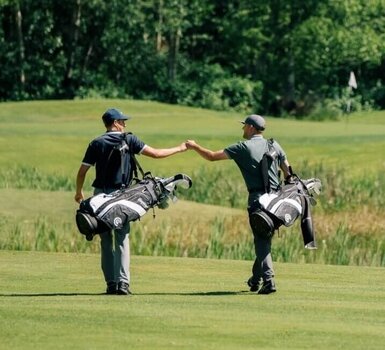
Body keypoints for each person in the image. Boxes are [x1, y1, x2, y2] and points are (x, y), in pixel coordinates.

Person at [75, 108, 187, 295]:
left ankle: (111, 284)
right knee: (122, 238)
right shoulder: (129, 139)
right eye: (123, 121)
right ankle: (123, 284)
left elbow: (82, 172)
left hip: (99, 197)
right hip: (121, 197)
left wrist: (79, 192)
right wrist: (181, 148)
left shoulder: (95, 143)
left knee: (105, 240)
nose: (125, 124)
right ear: (116, 123)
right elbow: (157, 154)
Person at [186, 114, 292, 294]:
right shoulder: (274, 144)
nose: (242, 129)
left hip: (258, 201)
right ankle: (255, 280)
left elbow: (212, 156)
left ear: (251, 127)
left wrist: (194, 146)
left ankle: (269, 280)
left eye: (244, 126)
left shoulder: (243, 147)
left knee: (261, 240)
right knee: (265, 239)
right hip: (278, 201)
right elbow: (288, 172)